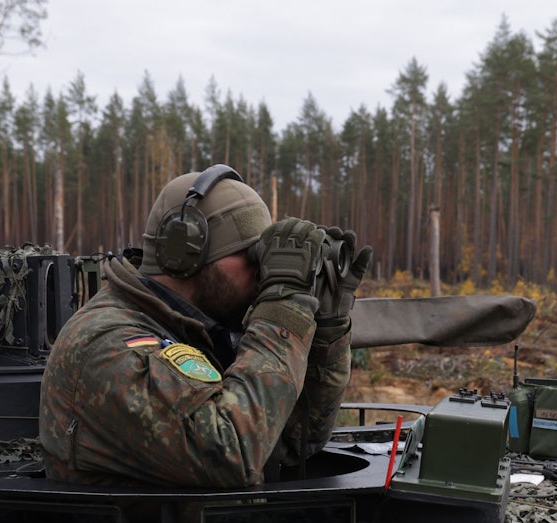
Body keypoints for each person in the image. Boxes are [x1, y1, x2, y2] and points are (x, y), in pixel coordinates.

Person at [40, 165, 372, 487]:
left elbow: (292, 441)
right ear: (188, 252)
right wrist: (282, 312)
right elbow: (233, 454)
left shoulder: (188, 327)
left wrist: (326, 325)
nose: (263, 272)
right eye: (252, 254)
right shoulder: (111, 346)